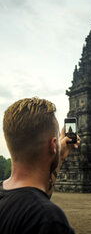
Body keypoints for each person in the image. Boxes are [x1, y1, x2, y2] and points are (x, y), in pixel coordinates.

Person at [0, 97, 80, 234]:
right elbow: (35, 202)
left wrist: (58, 156)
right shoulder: (49, 220)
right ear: (53, 145)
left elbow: (37, 196)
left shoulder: (7, 197)